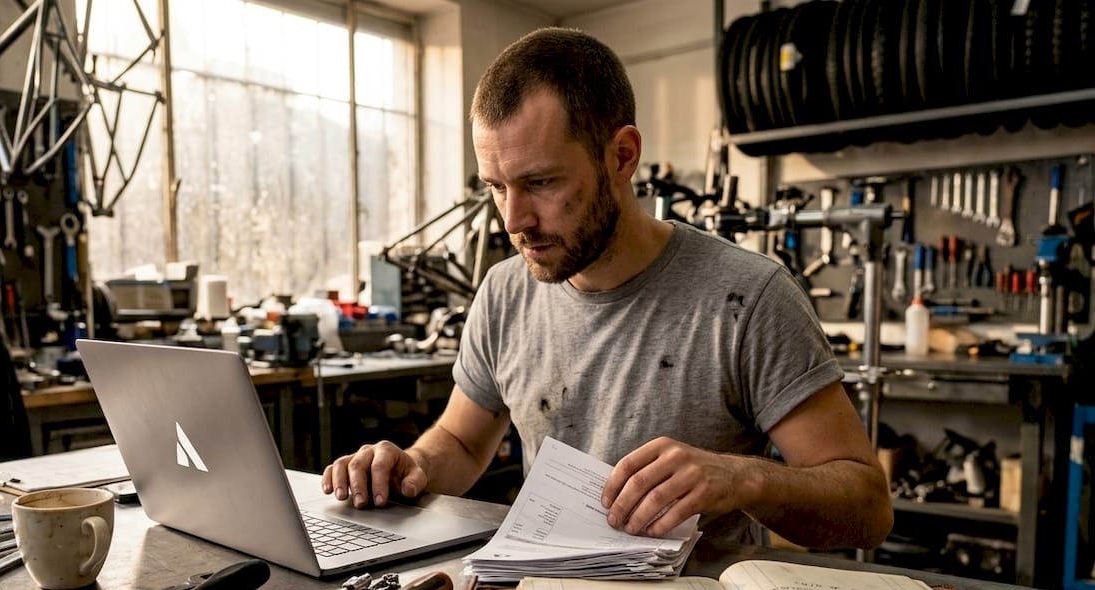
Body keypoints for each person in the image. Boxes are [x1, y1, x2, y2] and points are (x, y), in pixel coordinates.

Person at [322, 27, 893, 550]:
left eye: (540, 182)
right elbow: (464, 442)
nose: (513, 220)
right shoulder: (504, 292)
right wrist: (410, 465)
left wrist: (743, 478)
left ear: (622, 156)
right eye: (496, 187)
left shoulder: (747, 298)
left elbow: (867, 510)